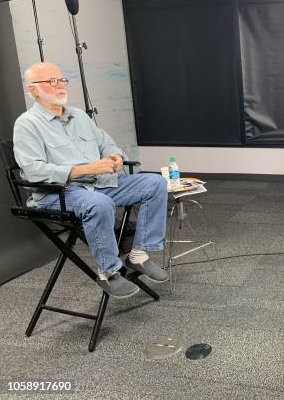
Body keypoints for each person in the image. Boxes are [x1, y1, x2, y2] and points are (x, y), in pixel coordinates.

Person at [13, 62, 169, 299]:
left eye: (62, 80)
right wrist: (85, 169)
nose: (59, 86)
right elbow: (33, 171)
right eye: (51, 82)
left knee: (154, 183)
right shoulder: (27, 124)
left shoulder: (79, 116)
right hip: (60, 194)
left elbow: (106, 143)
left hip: (99, 184)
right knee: (98, 203)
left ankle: (138, 254)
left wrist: (115, 156)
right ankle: (108, 272)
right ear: (33, 89)